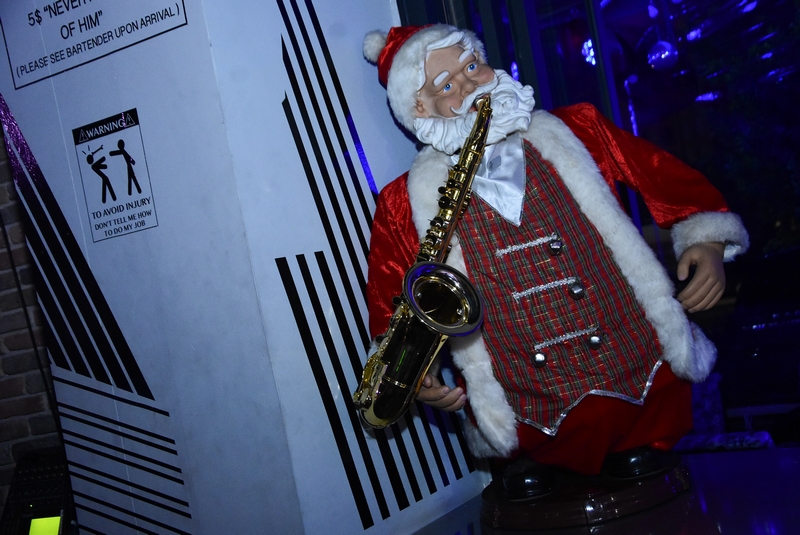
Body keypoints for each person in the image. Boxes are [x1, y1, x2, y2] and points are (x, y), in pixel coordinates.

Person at [362, 24, 749, 499]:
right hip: (522, 386)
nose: (469, 86)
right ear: (419, 109)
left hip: (626, 350)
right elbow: (393, 297)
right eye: (446, 85)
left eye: (472, 66)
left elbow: (659, 173)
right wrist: (411, 365)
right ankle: (529, 456)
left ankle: (639, 438)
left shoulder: (576, 129)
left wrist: (707, 240)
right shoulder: (405, 202)